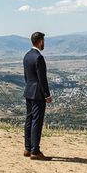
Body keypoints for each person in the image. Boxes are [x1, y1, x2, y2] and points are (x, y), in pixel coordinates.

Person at [23, 31, 52, 160]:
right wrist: (47, 95)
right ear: (40, 41)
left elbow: (26, 76)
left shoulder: (27, 56)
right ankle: (35, 151)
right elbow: (42, 79)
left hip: (28, 91)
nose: (44, 43)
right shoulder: (38, 57)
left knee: (29, 119)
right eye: (43, 41)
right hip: (38, 94)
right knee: (37, 121)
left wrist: (29, 88)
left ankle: (27, 148)